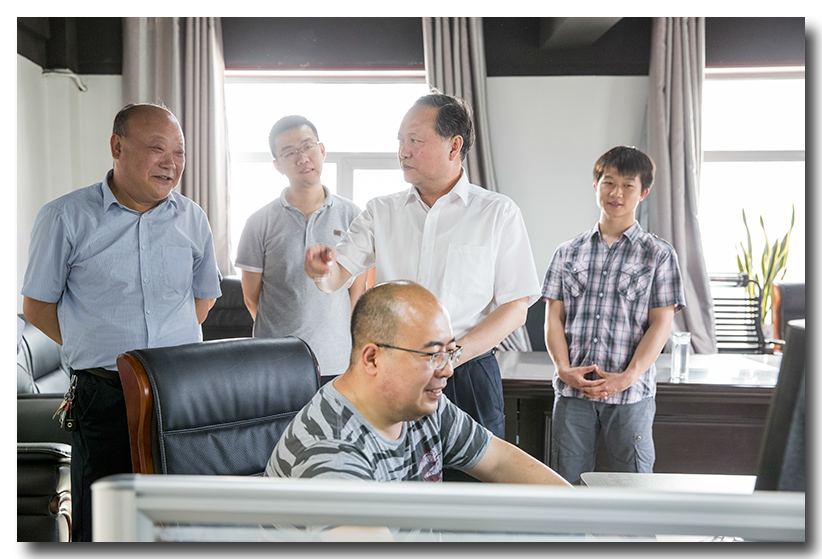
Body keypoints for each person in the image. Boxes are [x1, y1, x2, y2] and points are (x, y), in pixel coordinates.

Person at [21, 103, 222, 541]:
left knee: (179, 518)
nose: (171, 163)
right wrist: (96, 344)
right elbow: (37, 307)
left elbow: (203, 298)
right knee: (104, 518)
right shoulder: (65, 217)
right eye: (157, 148)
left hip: (180, 391)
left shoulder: (193, 218)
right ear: (117, 147)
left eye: (179, 152)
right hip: (104, 392)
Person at [303, 93, 540, 463]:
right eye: (400, 141)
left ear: (454, 145)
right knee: (397, 477)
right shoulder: (381, 211)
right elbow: (337, 277)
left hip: (468, 372)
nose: (403, 151)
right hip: (396, 374)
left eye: (414, 140)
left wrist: (452, 355)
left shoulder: (497, 213)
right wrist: (322, 270)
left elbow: (515, 307)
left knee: (476, 483)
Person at [266, 280, 570, 488]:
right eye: (433, 355)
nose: (448, 370)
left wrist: (584, 517)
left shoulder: (422, 407)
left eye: (449, 352)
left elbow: (500, 461)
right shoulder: (331, 451)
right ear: (372, 358)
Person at [541, 146, 686, 485]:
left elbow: (661, 323)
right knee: (566, 486)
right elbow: (553, 318)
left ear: (643, 192)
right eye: (608, 183)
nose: (616, 193)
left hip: (630, 396)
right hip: (573, 394)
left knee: (634, 488)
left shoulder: (659, 254)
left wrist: (628, 376)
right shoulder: (567, 252)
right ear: (596, 186)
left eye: (627, 185)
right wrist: (563, 369)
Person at [235, 116, 366, 382]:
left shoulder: (353, 216)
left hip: (336, 360)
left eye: (308, 146)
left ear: (322, 150)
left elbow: (357, 291)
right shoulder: (259, 222)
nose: (303, 158)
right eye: (290, 152)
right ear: (277, 165)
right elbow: (252, 298)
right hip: (275, 362)